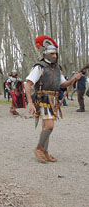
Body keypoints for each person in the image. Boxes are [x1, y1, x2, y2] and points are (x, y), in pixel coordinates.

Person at [25, 35, 82, 163]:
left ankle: (45, 151)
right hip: (43, 99)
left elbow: (62, 85)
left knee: (46, 126)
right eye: (52, 54)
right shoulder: (39, 67)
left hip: (53, 99)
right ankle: (39, 148)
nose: (55, 56)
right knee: (50, 126)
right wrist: (30, 102)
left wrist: (74, 79)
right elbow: (28, 84)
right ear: (46, 54)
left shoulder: (57, 68)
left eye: (56, 54)